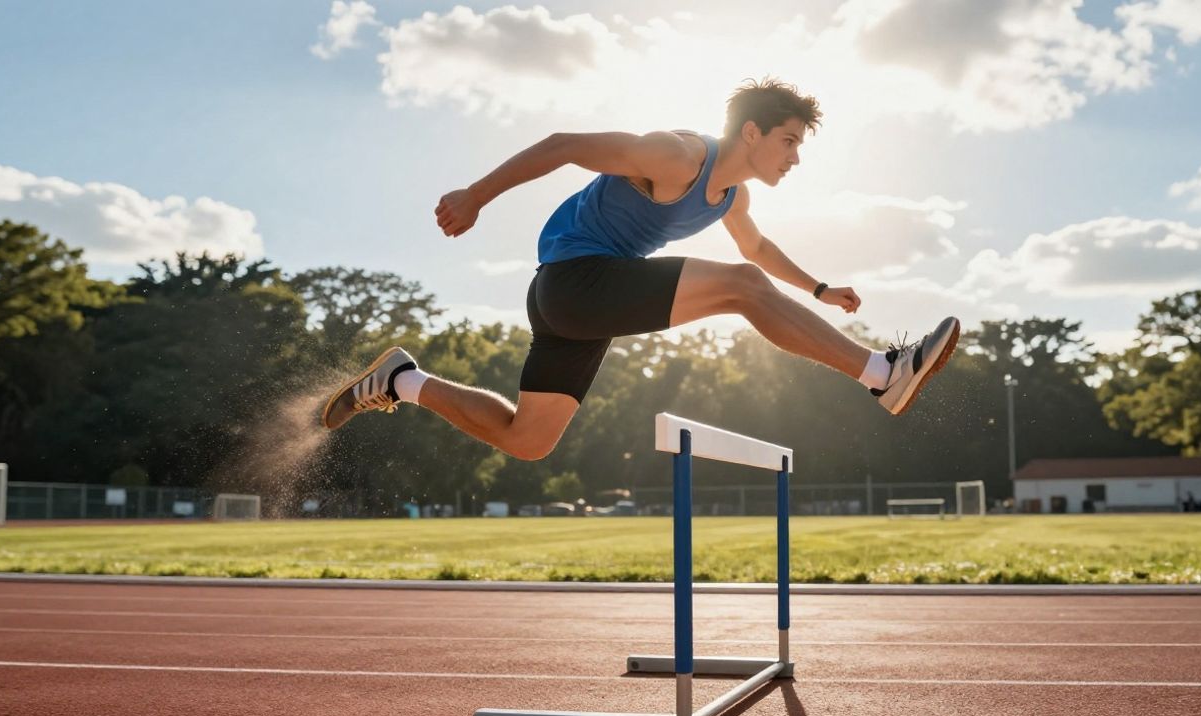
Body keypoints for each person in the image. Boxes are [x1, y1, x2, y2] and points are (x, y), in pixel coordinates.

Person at [322, 78, 960, 460]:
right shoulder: (678, 155)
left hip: (580, 305)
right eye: (789, 141)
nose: (795, 157)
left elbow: (757, 251)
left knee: (527, 440)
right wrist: (475, 196)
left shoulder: (734, 197)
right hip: (576, 281)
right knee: (741, 291)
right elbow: (563, 147)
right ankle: (882, 373)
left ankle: (402, 381)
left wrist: (819, 288)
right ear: (751, 133)